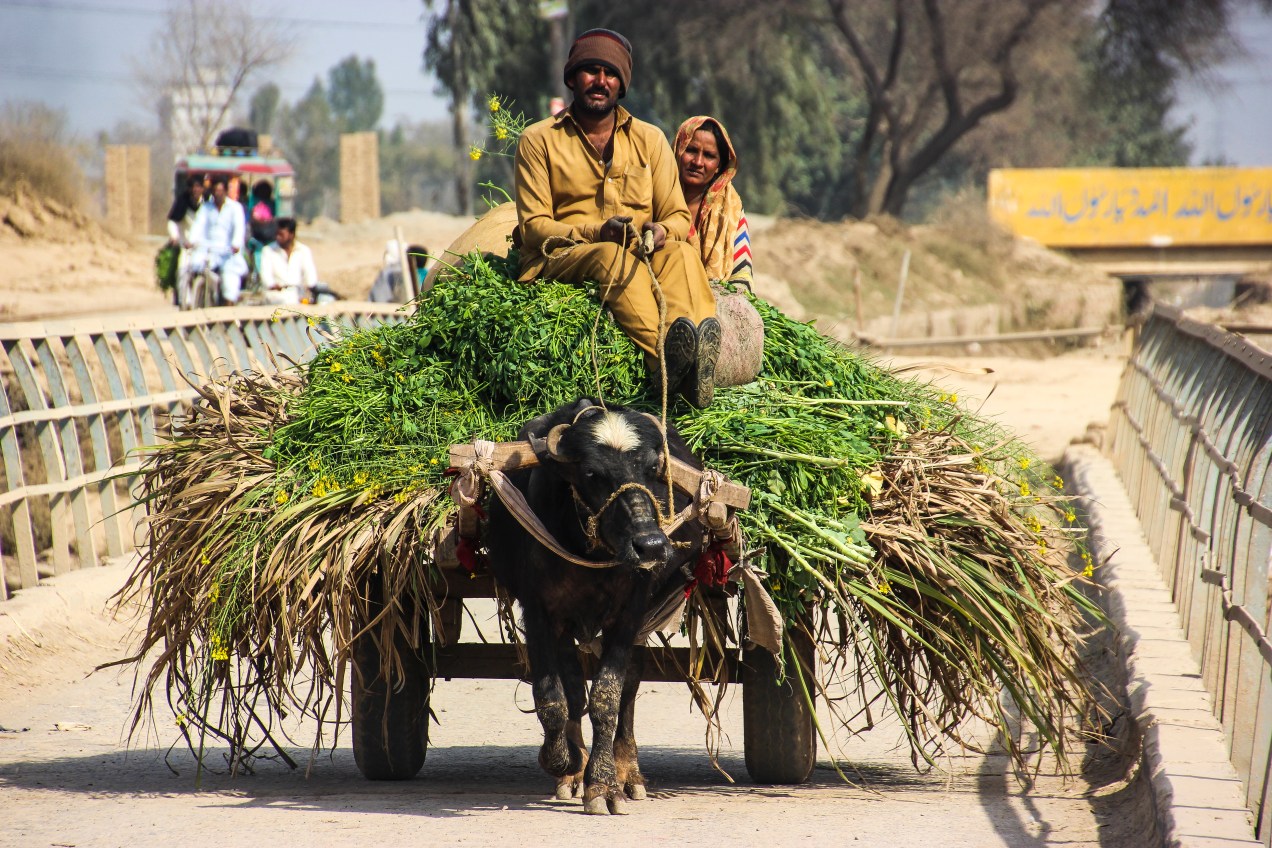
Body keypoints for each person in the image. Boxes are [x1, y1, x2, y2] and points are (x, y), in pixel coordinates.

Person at [514, 28, 720, 408]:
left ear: (621, 85)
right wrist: (596, 232)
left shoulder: (650, 139)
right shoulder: (538, 140)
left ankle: (698, 355)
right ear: (573, 78)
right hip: (563, 257)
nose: (600, 81)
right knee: (611, 256)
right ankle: (665, 357)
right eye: (590, 71)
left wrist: (659, 231)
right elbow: (533, 228)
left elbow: (676, 215)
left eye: (610, 73)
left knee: (683, 255)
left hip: (641, 253)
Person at [674, 116, 753, 287]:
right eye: (691, 150)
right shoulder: (657, 195)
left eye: (709, 155)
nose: (698, 162)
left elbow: (742, 275)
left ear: (719, 165)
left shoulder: (731, 207)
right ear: (678, 150)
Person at [190, 176, 248, 305]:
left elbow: (239, 228)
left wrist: (236, 244)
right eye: (215, 191)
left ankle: (228, 309)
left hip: (228, 253)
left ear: (226, 191)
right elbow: (198, 225)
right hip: (208, 250)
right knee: (191, 267)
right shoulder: (205, 208)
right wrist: (191, 241)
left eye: (221, 191)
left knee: (229, 280)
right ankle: (189, 302)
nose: (218, 194)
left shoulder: (235, 208)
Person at [258, 217, 318, 305]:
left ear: (291, 234)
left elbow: (310, 273)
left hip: (297, 293)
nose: (278, 237)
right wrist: (272, 285)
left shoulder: (303, 251)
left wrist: (311, 286)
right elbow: (265, 275)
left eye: (281, 235)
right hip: (276, 295)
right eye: (277, 234)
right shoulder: (268, 251)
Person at [165, 176, 205, 308]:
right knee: (182, 271)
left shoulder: (207, 205)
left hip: (203, 247)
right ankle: (185, 301)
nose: (195, 190)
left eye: (198, 187)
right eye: (193, 187)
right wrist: (175, 237)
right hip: (186, 246)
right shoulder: (182, 203)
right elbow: (173, 221)